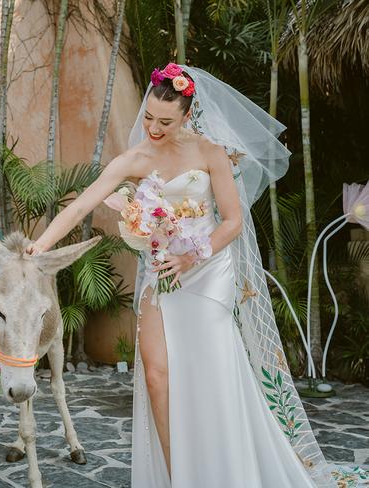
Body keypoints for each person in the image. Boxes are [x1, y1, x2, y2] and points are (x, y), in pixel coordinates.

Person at [28, 64, 336, 487]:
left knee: (210, 375)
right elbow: (81, 206)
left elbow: (232, 221)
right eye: (149, 117)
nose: (153, 127)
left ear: (187, 115)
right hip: (161, 274)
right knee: (156, 378)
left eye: (165, 121)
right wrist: (39, 246)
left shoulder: (211, 153)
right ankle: (179, 477)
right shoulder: (135, 158)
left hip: (208, 272)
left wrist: (194, 257)